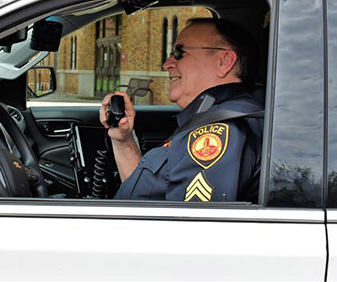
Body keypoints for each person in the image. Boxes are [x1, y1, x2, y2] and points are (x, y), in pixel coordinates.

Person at [100, 18, 264, 202]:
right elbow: (146, 196)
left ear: (224, 62)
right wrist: (122, 139)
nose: (167, 64)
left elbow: (187, 224)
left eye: (179, 52)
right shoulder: (209, 118)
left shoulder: (219, 131)